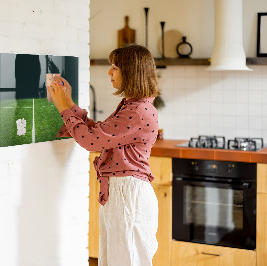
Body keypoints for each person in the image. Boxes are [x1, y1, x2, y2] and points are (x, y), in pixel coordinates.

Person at [48, 44, 160, 266]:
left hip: (128, 195)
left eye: (115, 67)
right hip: (123, 193)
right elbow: (99, 133)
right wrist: (69, 103)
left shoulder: (137, 111)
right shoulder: (133, 106)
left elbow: (91, 141)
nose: (109, 72)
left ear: (131, 72)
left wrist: (63, 108)